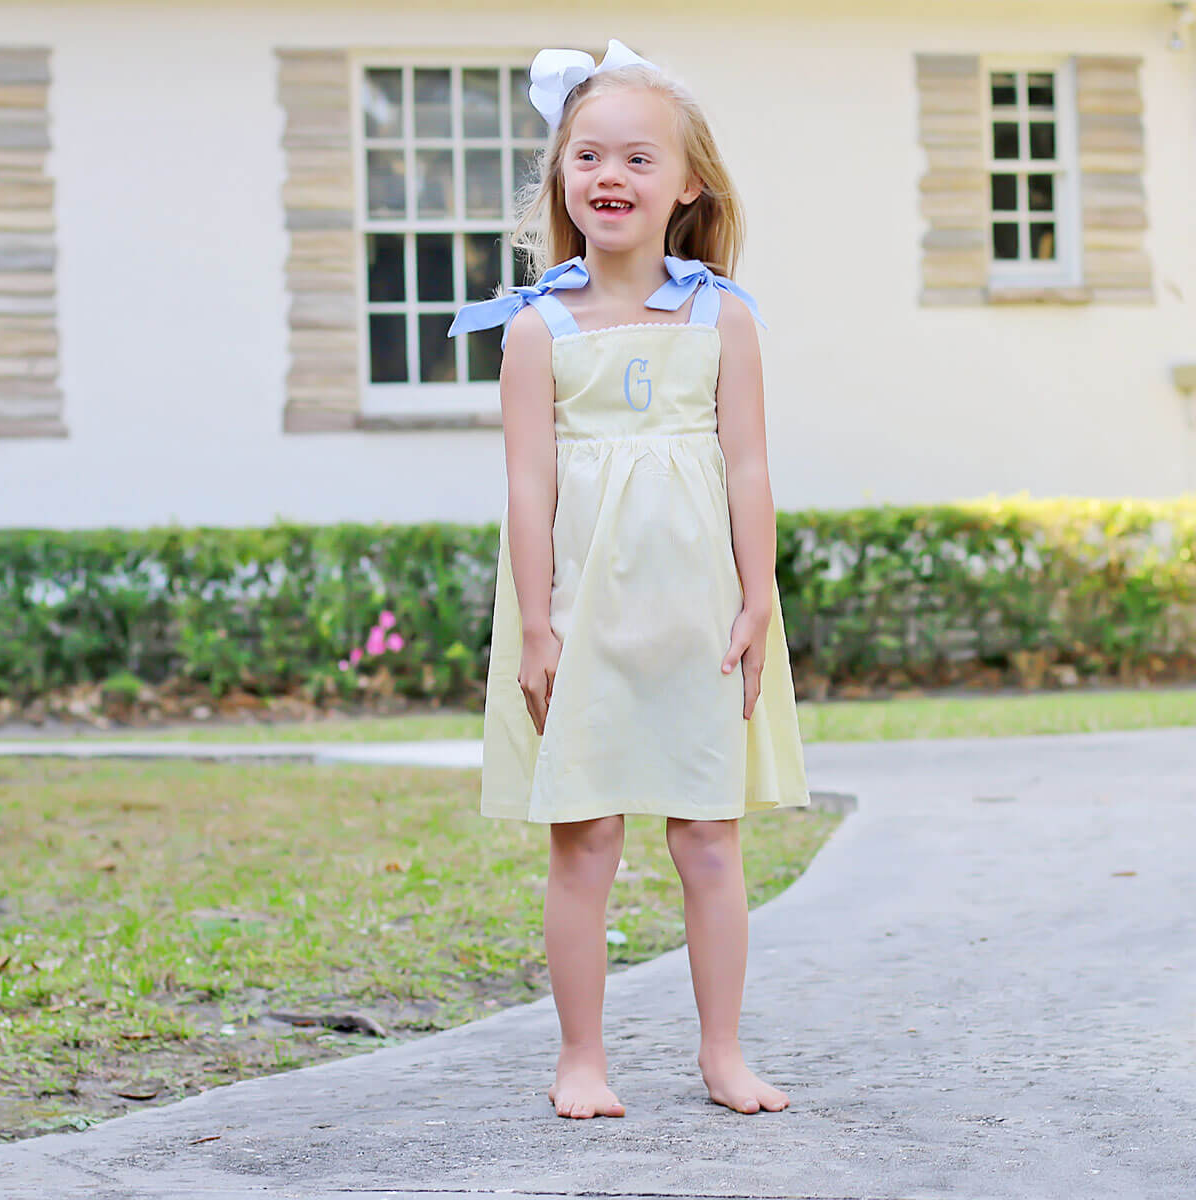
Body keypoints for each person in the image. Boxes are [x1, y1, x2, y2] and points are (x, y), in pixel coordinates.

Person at [448, 38, 812, 1122]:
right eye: (589, 156)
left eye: (639, 159)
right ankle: (580, 1060)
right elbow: (527, 487)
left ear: (688, 184)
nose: (610, 176)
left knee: (708, 838)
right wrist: (537, 627)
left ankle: (724, 1055)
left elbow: (748, 465)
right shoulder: (536, 330)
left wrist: (758, 599)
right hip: (583, 617)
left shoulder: (722, 317)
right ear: (562, 176)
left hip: (700, 614)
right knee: (587, 837)